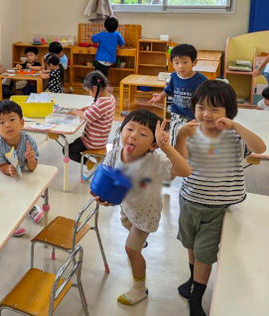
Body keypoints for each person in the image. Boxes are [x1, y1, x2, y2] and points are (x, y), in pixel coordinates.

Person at [174, 80, 266, 316]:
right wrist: (181, 137)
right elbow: (180, 164)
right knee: (191, 245)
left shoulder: (234, 137)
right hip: (189, 200)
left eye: (215, 109)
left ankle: (196, 299)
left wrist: (236, 127)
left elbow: (260, 146)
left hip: (219, 208)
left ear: (228, 112)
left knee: (205, 253)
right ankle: (191, 280)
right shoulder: (190, 132)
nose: (206, 114)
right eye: (201, 107)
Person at [93, 109, 191, 306]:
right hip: (126, 208)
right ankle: (138, 242)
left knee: (131, 249)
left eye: (143, 134)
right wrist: (102, 197)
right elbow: (106, 178)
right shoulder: (114, 153)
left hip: (146, 215)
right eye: (129, 129)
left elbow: (185, 170)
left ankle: (139, 289)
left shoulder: (155, 161)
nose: (133, 136)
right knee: (126, 225)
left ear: (153, 145)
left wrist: (167, 148)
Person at [0, 100, 44, 237]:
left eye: (12, 119)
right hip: (3, 173)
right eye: (2, 122)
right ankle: (12, 221)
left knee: (28, 186)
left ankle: (31, 208)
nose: (7, 125)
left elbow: (32, 168)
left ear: (22, 122)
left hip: (23, 170)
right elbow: (0, 165)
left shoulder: (28, 141)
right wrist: (8, 169)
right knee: (7, 194)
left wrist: (31, 160)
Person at [149, 44, 208, 145]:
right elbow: (168, 90)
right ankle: (173, 153)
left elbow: (207, 97)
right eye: (176, 63)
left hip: (194, 116)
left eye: (185, 62)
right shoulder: (174, 77)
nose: (180, 66)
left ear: (194, 62)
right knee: (175, 135)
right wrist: (160, 96)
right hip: (177, 113)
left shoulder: (201, 80)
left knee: (192, 139)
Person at [67, 71, 115, 179]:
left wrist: (75, 112)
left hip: (93, 141)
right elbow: (97, 111)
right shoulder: (110, 98)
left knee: (67, 150)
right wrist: (88, 108)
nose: (89, 93)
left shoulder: (101, 103)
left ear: (94, 88)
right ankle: (96, 160)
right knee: (75, 143)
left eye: (88, 91)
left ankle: (90, 164)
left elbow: (87, 116)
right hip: (101, 139)